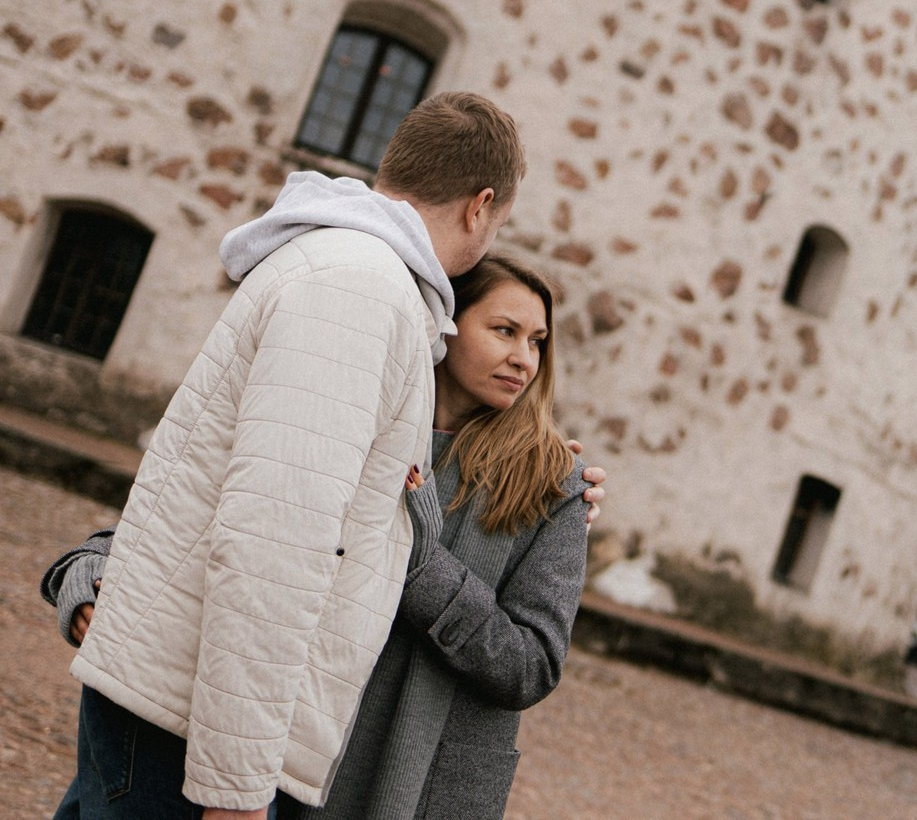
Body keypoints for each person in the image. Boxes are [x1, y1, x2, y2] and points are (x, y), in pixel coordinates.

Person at [51, 91, 527, 818]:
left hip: (187, 713)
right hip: (190, 730)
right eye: (498, 223)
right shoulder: (361, 289)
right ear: (480, 205)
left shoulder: (347, 272)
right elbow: (276, 536)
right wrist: (235, 789)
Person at [46, 256, 596, 819]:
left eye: (538, 342)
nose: (522, 358)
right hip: (283, 751)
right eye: (505, 331)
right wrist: (90, 568)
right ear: (446, 326)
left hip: (411, 784)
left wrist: (417, 563)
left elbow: (531, 665)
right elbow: (237, 520)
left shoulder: (554, 485)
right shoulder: (360, 421)